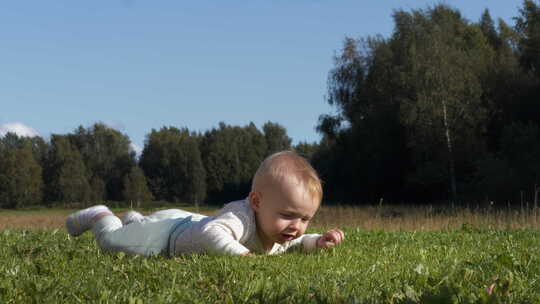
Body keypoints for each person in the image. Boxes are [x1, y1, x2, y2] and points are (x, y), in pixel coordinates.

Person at [65, 151, 344, 256]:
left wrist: (317, 241)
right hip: (168, 236)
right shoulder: (242, 217)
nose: (296, 227)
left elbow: (294, 243)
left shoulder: (278, 231)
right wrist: (243, 257)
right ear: (256, 201)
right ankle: (102, 216)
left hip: (182, 220)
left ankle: (135, 220)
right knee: (112, 244)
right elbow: (212, 233)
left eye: (305, 219)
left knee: (138, 228)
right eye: (288, 215)